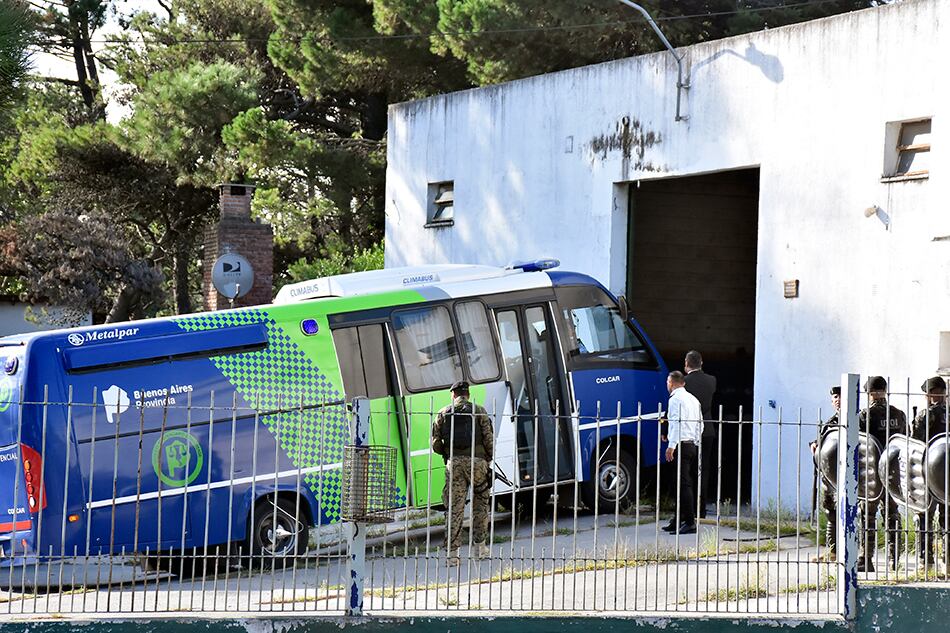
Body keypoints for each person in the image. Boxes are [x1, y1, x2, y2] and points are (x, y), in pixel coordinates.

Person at [431, 381, 494, 566]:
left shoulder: (443, 413)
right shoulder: (479, 410)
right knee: (481, 505)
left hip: (455, 464)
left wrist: (448, 455)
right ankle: (480, 549)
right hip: (478, 463)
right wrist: (487, 460)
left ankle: (452, 556)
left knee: (454, 509)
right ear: (468, 393)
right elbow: (488, 438)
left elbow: (435, 443)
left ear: (453, 394)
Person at [858, 375, 907, 572]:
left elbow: (858, 444)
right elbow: (905, 441)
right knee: (892, 514)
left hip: (871, 473)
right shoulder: (899, 414)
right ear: (884, 390)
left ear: (869, 394)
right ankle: (894, 559)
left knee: (867, 515)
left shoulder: (864, 416)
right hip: (892, 472)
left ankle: (866, 558)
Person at [912, 376, 949, 567]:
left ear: (931, 394)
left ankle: (925, 559)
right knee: (947, 515)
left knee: (924, 513)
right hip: (948, 472)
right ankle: (948, 558)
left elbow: (915, 442)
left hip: (928, 470)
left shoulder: (926, 415)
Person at [662, 371, 703, 535]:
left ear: (671, 383)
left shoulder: (675, 400)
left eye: (667, 382)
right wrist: (696, 441)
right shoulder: (693, 399)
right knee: (679, 482)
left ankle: (689, 522)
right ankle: (678, 519)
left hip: (680, 445)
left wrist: (671, 446)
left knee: (683, 484)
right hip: (691, 444)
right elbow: (700, 423)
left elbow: (676, 424)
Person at [684, 350, 717, 519]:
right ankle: (701, 508)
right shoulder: (712, 380)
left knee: (687, 470)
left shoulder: (684, 382)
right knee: (704, 469)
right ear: (701, 362)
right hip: (708, 430)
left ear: (686, 363)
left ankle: (688, 510)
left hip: (690, 430)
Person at [809, 386, 840, 561]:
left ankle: (862, 555)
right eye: (835, 397)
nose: (837, 400)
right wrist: (815, 445)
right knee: (831, 511)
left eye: (840, 396)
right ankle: (833, 551)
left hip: (853, 475)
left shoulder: (859, 419)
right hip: (831, 476)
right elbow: (822, 440)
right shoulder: (831, 421)